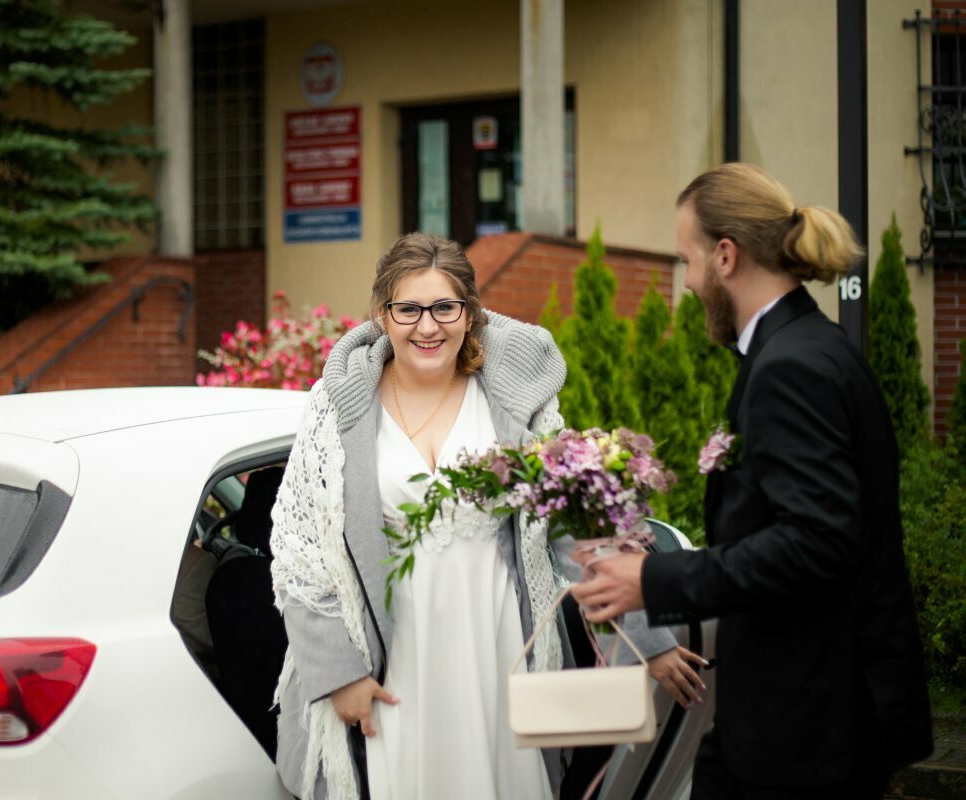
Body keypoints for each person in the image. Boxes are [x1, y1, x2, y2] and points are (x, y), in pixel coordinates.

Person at [269, 232, 706, 800]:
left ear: (470, 314)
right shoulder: (338, 406)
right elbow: (300, 554)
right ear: (382, 315)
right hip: (393, 660)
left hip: (498, 642)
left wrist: (649, 638)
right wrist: (339, 674)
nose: (428, 327)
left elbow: (572, 523)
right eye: (409, 309)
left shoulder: (514, 399)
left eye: (445, 308)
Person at [570, 163, 934, 799]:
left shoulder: (790, 367)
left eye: (688, 261)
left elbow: (818, 540)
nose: (687, 284)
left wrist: (653, 579)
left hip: (808, 721)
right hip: (786, 710)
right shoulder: (806, 346)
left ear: (726, 256)